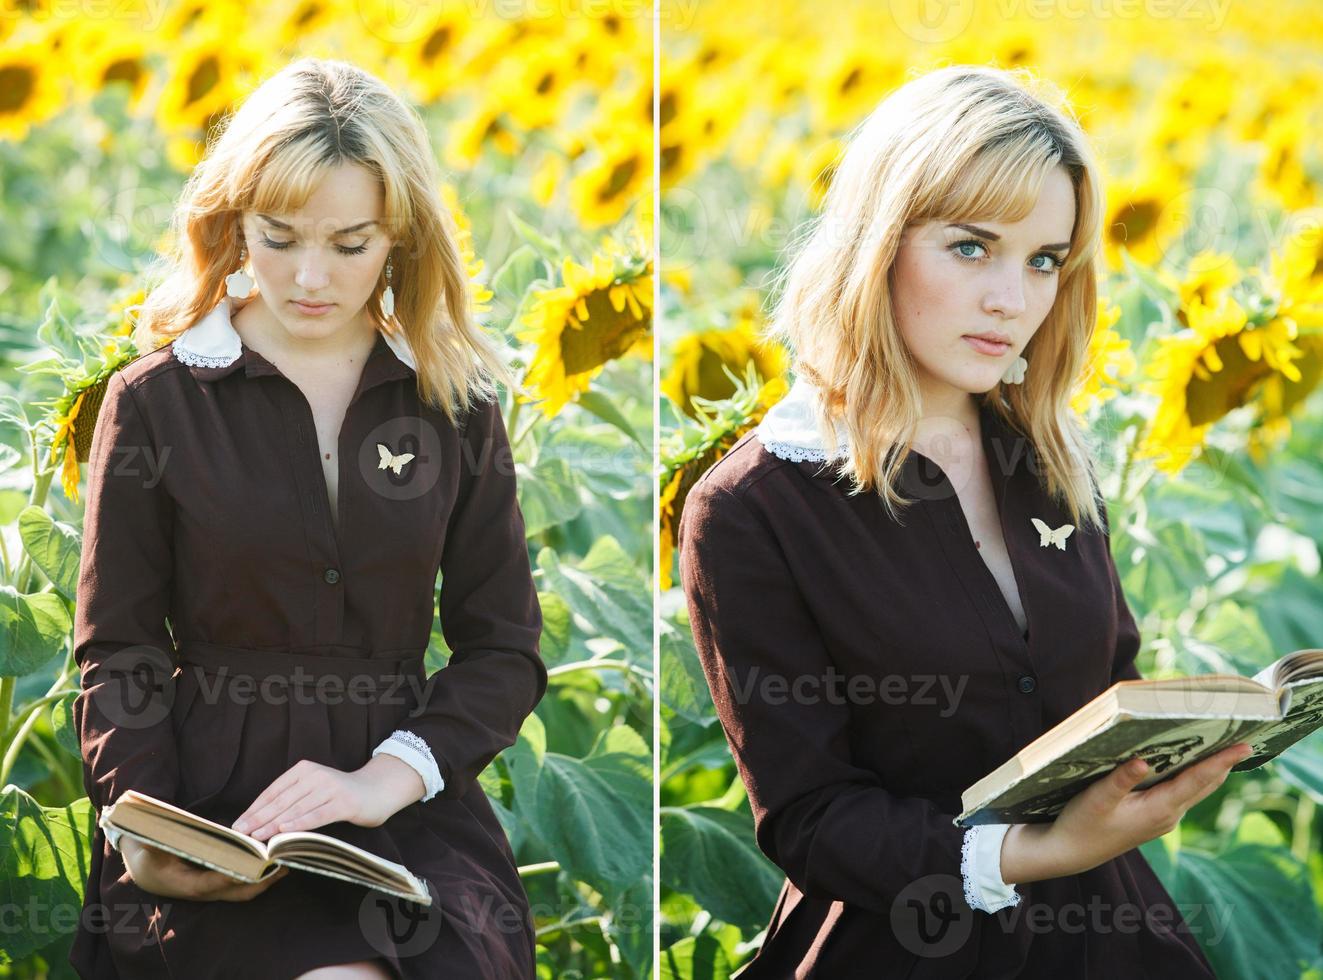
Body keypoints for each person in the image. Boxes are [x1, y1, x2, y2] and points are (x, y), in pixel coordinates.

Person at [676, 65, 1251, 978]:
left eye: (1043, 261)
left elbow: (1105, 685)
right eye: (971, 247)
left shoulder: (1051, 459)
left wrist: (1183, 743)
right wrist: (1038, 853)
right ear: (877, 244)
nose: (1011, 300)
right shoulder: (753, 509)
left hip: (1114, 939)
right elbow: (812, 818)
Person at [71, 58, 545, 979]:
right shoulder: (157, 401)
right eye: (278, 238)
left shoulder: (454, 404)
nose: (310, 278)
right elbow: (116, 647)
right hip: (209, 805)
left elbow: (502, 650)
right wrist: (146, 822)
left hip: (402, 815)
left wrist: (383, 780)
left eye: (351, 243)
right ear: (233, 220)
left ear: (401, 237)